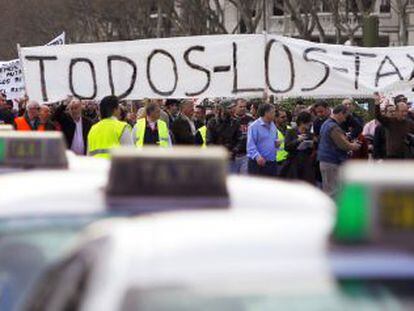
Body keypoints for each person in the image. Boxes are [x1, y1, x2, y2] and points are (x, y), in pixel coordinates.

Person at [318, 104, 360, 197]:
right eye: (345, 116)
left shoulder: (326, 123)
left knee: (329, 189)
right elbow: (343, 145)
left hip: (326, 161)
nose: (345, 120)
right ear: (340, 113)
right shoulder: (333, 127)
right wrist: (354, 146)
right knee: (334, 192)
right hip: (332, 161)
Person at [279, 111, 315, 184]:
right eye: (308, 122)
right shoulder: (291, 131)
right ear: (302, 122)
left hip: (306, 163)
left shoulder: (309, 134)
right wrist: (298, 140)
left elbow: (311, 149)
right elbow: (287, 147)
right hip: (293, 163)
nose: (310, 124)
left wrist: (312, 144)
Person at [374, 93, 414, 159]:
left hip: (407, 156)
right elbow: (378, 116)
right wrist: (377, 104)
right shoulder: (390, 121)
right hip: (392, 156)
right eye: (402, 111)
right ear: (396, 111)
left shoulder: (410, 123)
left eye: (406, 111)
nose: (404, 114)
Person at [206, 100, 242, 172]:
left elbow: (239, 139)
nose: (232, 110)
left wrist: (233, 151)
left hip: (231, 159)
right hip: (216, 159)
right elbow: (209, 142)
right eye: (229, 108)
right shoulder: (212, 122)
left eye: (232, 107)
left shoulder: (235, 122)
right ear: (222, 109)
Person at [247, 103, 278, 177]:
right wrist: (257, 156)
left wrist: (277, 144)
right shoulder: (254, 126)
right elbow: (250, 145)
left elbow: (274, 140)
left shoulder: (273, 125)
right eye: (273, 112)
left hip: (272, 163)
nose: (275, 114)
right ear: (266, 113)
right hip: (258, 164)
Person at [232, 98, 254, 174]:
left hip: (246, 155)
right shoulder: (229, 119)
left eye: (244, 107)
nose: (243, 108)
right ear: (235, 107)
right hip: (232, 156)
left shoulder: (250, 120)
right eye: (240, 106)